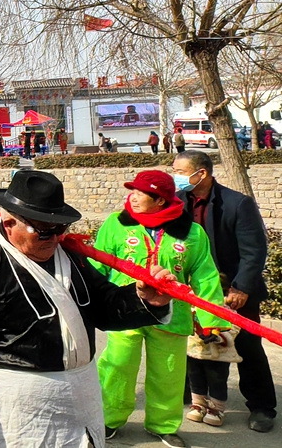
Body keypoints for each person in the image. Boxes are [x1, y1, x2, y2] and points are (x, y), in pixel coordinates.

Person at [0, 170, 175, 448]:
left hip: (80, 396)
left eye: (60, 228)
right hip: (14, 408)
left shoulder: (71, 257)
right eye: (44, 230)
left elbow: (103, 306)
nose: (55, 238)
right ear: (9, 223)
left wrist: (144, 299)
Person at [91, 170, 229, 446]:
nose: (133, 197)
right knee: (117, 367)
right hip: (125, 311)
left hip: (171, 314)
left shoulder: (191, 232)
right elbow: (97, 266)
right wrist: (88, 303)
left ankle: (163, 424)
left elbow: (204, 275)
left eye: (141, 193)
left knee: (169, 372)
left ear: (161, 201)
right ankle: (108, 419)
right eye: (134, 191)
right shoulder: (116, 224)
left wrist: (211, 317)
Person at [173, 150, 276, 432]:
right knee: (191, 345)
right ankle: (193, 397)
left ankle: (262, 407)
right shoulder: (177, 202)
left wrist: (242, 287)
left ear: (201, 173)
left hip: (232, 291)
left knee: (247, 348)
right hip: (190, 290)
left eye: (180, 171)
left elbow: (254, 251)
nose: (176, 177)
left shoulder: (236, 203)